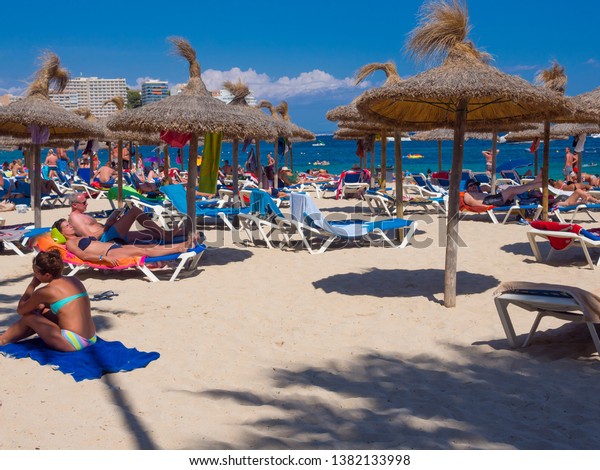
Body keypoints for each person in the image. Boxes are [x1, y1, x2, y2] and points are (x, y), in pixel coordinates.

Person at [0, 251, 97, 351]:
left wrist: (32, 285)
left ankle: (2, 340)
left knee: (29, 317)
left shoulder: (46, 291)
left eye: (36, 273)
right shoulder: (74, 280)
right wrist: (41, 306)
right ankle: (10, 337)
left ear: (47, 275)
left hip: (73, 343)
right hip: (91, 337)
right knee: (43, 310)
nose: (35, 276)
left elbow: (21, 310)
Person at [52, 218, 196, 267]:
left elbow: (96, 238)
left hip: (114, 246)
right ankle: (180, 248)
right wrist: (103, 258)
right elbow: (83, 256)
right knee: (143, 251)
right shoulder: (70, 244)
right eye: (66, 226)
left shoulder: (79, 237)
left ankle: (179, 246)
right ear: (62, 232)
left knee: (147, 246)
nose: (70, 226)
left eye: (69, 224)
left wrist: (110, 223)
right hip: (109, 253)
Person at [67, 192, 189, 244]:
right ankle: (167, 234)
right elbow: (90, 238)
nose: (87, 204)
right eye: (84, 203)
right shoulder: (75, 218)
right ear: (74, 205)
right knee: (135, 211)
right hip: (104, 239)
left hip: (109, 233)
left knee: (149, 233)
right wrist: (108, 225)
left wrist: (112, 221)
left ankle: (188, 233)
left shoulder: (81, 215)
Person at [463, 173, 543, 208]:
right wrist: (487, 207)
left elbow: (487, 188)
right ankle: (537, 184)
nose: (474, 186)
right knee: (510, 189)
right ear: (467, 188)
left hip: (494, 199)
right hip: (488, 201)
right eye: (471, 185)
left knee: (513, 190)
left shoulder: (478, 192)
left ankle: (535, 182)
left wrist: (483, 187)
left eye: (475, 184)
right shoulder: (467, 194)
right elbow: (473, 203)